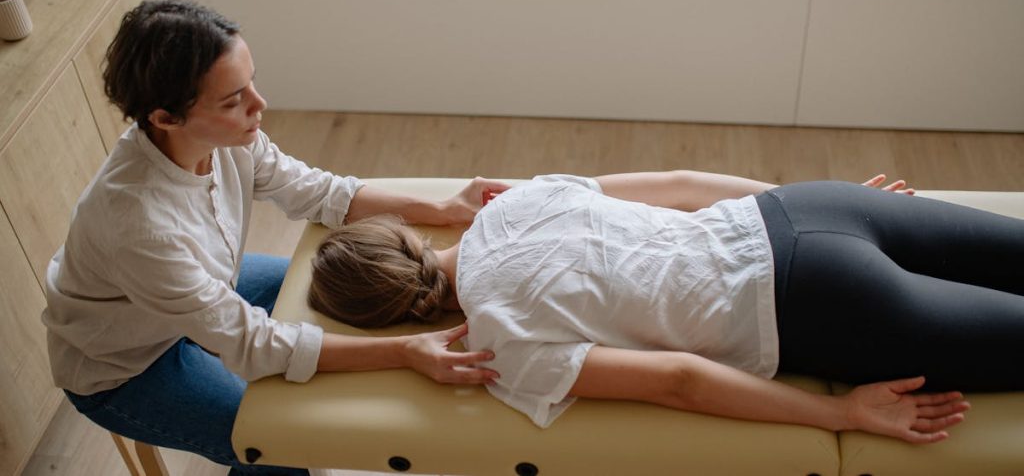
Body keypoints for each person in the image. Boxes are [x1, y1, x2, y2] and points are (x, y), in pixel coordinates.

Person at [41, 0, 507, 475]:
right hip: (129, 367)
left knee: (356, 290)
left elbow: (316, 191)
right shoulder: (141, 226)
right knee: (280, 442)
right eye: (233, 100)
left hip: (200, 292)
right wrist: (403, 354)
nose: (259, 105)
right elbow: (254, 343)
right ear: (164, 118)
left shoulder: (226, 138)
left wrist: (441, 207)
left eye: (251, 83)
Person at [309, 170, 1024, 444]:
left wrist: (843, 412)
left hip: (818, 303)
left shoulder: (500, 345)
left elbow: (677, 378)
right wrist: (822, 197)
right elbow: (684, 183)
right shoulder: (514, 199)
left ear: (394, 317)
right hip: (805, 207)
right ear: (403, 236)